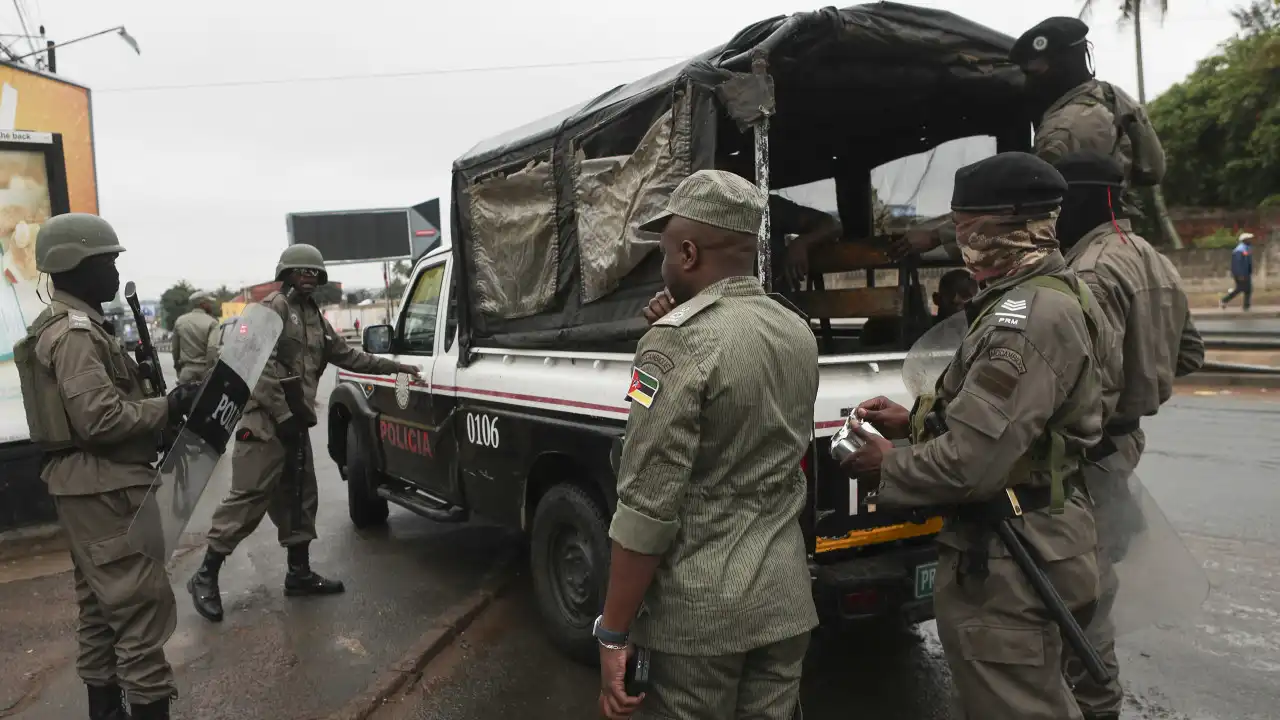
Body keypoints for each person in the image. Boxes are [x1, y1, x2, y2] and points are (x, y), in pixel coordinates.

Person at [840, 152, 1112, 720]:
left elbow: (972, 463)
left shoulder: (1029, 316)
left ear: (1003, 229)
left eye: (965, 229)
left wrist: (885, 465)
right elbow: (1012, 423)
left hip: (1016, 554)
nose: (959, 243)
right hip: (1032, 534)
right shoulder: (1046, 293)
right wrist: (913, 421)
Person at [597, 170, 817, 720]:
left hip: (699, 618)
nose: (664, 264)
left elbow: (648, 505)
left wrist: (612, 633)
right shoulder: (795, 330)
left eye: (667, 252)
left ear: (689, 253)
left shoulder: (673, 343)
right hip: (783, 601)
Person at [14, 213, 199, 720]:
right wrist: (171, 406)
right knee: (140, 616)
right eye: (107, 262)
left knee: (99, 612)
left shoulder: (68, 327)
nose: (115, 273)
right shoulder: (75, 334)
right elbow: (100, 420)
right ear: (74, 265)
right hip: (107, 490)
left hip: (87, 488)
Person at [187, 243, 419, 623]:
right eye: (301, 271)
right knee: (248, 500)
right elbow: (253, 365)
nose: (309, 277)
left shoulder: (313, 316)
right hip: (265, 424)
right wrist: (282, 413)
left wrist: (394, 367)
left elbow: (348, 355)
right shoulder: (270, 310)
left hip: (294, 424)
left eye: (315, 272)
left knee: (299, 499)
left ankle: (299, 574)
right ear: (286, 273)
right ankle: (205, 575)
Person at [1054, 150, 1204, 720]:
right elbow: (1190, 352)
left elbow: (1091, 388)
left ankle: (1094, 702)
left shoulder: (1088, 269)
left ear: (1082, 201)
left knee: (1079, 593)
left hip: (1089, 453)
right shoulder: (1152, 258)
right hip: (1125, 445)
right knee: (1090, 581)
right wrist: (1151, 375)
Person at [892, 16, 1162, 259]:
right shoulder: (1115, 98)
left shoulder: (1062, 130)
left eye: (1035, 73)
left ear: (1062, 65)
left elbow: (1027, 207)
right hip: (1124, 239)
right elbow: (1153, 170)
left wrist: (938, 235)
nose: (1030, 83)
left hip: (1078, 249)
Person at [171, 290, 220, 383]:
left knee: (183, 397)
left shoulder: (180, 321)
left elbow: (175, 349)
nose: (211, 305)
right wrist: (210, 370)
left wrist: (178, 368)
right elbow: (212, 348)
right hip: (205, 372)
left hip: (186, 372)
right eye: (209, 303)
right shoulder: (212, 322)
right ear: (203, 304)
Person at [1221, 232, 1255, 311]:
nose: (1250, 240)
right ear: (1244, 240)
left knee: (1248, 289)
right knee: (1239, 289)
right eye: (1249, 239)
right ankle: (1224, 300)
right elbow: (1237, 263)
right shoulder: (1239, 250)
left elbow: (1247, 261)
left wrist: (1249, 271)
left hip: (1246, 273)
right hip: (1241, 274)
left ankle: (1246, 306)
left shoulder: (1246, 248)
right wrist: (1240, 275)